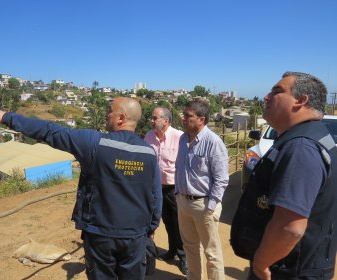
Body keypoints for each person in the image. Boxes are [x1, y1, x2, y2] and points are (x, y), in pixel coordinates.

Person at [0, 97, 162, 280]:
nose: (107, 115)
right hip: (136, 235)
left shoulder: (94, 143)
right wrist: (151, 228)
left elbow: (50, 131)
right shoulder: (149, 152)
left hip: (100, 235)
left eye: (110, 111)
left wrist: (6, 117)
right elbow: (156, 195)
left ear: (121, 118)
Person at [230, 72, 337, 280]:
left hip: (286, 270)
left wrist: (261, 262)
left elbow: (291, 227)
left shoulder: (301, 147)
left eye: (277, 91)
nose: (266, 97)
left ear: (301, 100)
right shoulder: (312, 137)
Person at [175, 100, 229, 280]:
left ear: (201, 119)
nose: (184, 119)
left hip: (204, 204)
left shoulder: (213, 142)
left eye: (188, 116)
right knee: (190, 247)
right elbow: (180, 169)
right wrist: (178, 195)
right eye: (184, 115)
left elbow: (221, 179)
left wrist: (211, 206)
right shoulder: (183, 139)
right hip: (183, 202)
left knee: (211, 253)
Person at [144, 107, 187, 275]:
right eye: (152, 118)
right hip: (155, 188)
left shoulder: (179, 137)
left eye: (155, 118)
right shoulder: (148, 136)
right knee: (167, 221)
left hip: (174, 188)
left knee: (179, 223)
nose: (152, 121)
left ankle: (184, 257)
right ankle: (172, 251)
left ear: (166, 121)